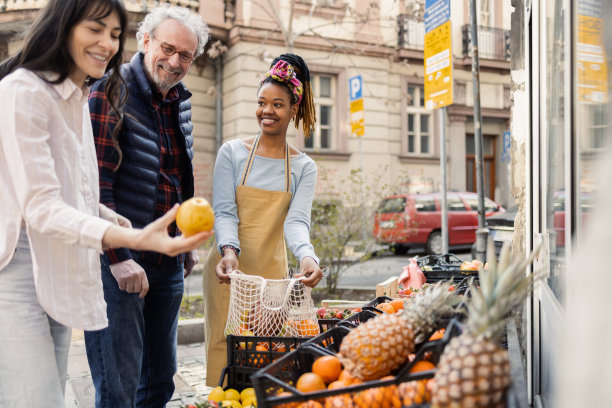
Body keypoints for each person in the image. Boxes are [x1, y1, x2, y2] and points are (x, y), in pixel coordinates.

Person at [0, 1, 212, 407]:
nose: (107, 44)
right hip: (29, 266)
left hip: (70, 263)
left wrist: (163, 238)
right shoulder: (36, 91)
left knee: (146, 384)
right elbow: (48, 203)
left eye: (114, 34)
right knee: (54, 397)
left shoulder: (76, 97)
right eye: (95, 29)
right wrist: (124, 246)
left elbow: (82, 193)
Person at [83, 6, 210, 407]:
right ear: (145, 41)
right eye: (168, 48)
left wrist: (185, 244)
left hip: (166, 262)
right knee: (118, 390)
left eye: (185, 55)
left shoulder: (181, 101)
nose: (174, 62)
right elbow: (94, 182)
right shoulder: (109, 89)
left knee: (159, 384)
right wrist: (118, 256)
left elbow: (177, 180)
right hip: (117, 263)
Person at [203, 53, 324, 386]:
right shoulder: (232, 153)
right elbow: (225, 211)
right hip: (229, 272)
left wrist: (308, 256)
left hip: (272, 282)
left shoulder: (303, 167)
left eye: (278, 104)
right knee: (225, 366)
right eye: (262, 102)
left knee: (264, 362)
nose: (267, 111)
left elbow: (296, 222)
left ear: (294, 109)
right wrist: (229, 250)